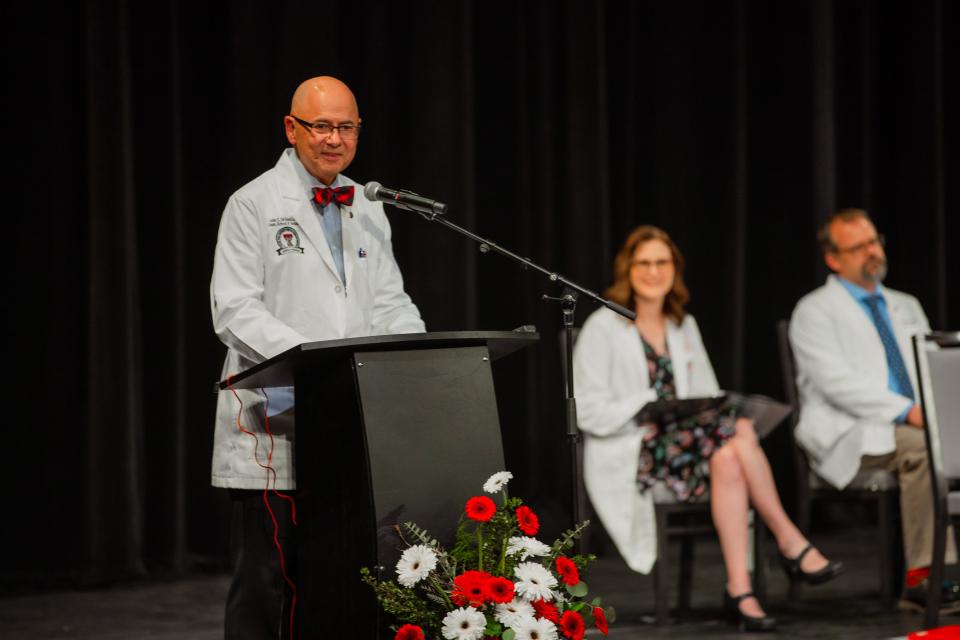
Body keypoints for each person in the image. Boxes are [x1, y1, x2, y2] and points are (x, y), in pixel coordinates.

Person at [209, 76, 425, 639]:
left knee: (335, 574)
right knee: (267, 575)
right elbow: (232, 307)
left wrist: (412, 352)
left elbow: (390, 300)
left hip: (351, 415)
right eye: (321, 125)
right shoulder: (253, 203)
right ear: (292, 127)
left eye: (345, 127)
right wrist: (313, 362)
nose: (334, 138)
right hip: (275, 409)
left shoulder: (367, 204)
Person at [574, 225, 842, 632]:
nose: (652, 271)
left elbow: (709, 396)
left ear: (674, 270)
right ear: (627, 269)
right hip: (640, 449)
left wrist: (705, 412)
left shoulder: (683, 325)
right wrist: (649, 409)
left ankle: (741, 587)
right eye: (643, 262)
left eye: (661, 262)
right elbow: (587, 410)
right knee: (737, 435)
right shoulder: (603, 326)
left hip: (696, 450)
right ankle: (789, 541)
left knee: (732, 448)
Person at [789, 208, 959, 613]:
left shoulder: (905, 304)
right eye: (858, 246)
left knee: (935, 441)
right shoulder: (813, 311)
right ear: (834, 259)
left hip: (916, 420)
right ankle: (930, 576)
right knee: (924, 447)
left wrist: (937, 408)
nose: (871, 251)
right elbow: (837, 383)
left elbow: (931, 363)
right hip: (855, 432)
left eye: (874, 241)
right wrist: (909, 411)